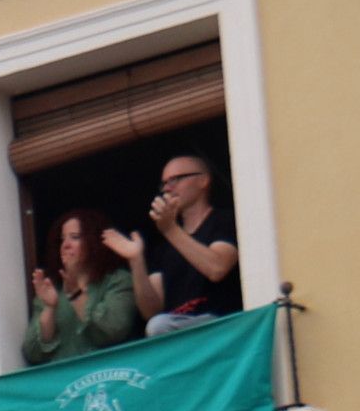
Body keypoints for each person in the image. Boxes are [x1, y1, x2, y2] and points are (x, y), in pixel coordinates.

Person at [135, 156, 242, 332]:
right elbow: (151, 312)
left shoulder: (225, 220)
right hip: (179, 330)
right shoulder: (163, 247)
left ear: (203, 180)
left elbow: (217, 268)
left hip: (222, 326)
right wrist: (135, 259)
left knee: (160, 326)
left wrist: (170, 230)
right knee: (157, 325)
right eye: (164, 183)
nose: (168, 188)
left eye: (175, 179)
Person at [23, 210, 144, 364]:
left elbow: (112, 331)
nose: (65, 245)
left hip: (111, 377)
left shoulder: (118, 280)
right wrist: (49, 308)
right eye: (62, 239)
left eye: (75, 237)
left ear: (93, 241)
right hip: (64, 383)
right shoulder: (52, 287)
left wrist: (75, 294)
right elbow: (32, 353)